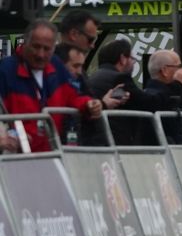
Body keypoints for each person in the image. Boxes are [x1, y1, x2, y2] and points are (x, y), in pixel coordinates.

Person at [0, 21, 114, 152]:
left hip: (50, 154)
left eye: (46, 49)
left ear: (54, 48)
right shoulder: (6, 70)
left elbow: (73, 96)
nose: (40, 54)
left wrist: (89, 104)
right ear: (25, 43)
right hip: (15, 158)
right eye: (36, 47)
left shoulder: (56, 66)